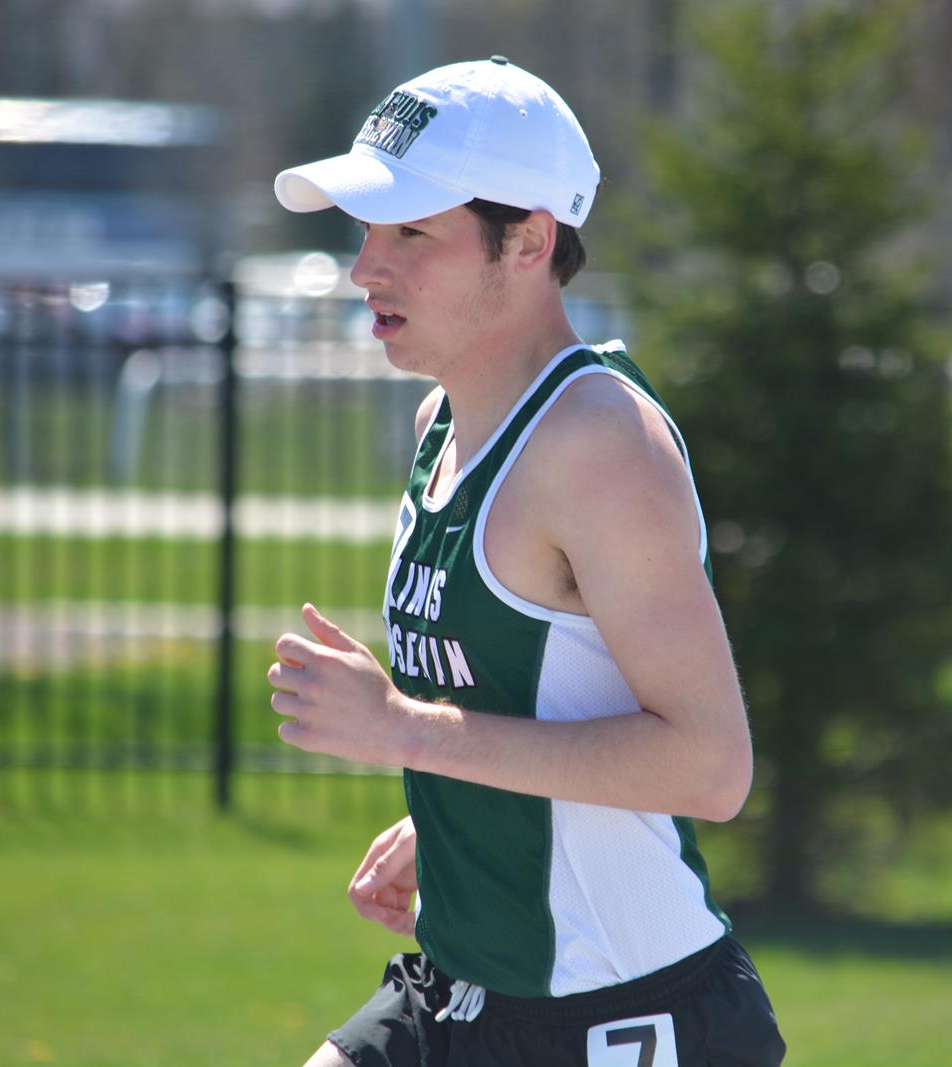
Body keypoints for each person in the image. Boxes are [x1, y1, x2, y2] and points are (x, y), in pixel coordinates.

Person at [268, 56, 786, 1066]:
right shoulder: (442, 423)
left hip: (622, 1020)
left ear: (529, 241)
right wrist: (459, 818)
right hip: (460, 991)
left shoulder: (598, 444)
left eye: (412, 231)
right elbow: (538, 702)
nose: (367, 265)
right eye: (366, 228)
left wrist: (404, 731)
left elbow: (710, 766)